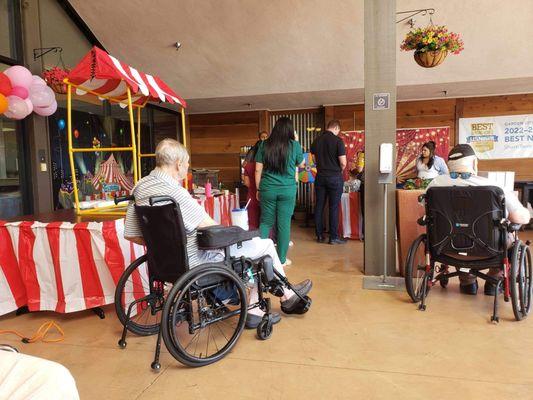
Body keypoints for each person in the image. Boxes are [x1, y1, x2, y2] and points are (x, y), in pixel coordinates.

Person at [124, 139, 312, 329]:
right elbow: (213, 229)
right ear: (178, 164)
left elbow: (131, 234)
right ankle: (274, 302)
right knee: (264, 246)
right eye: (187, 163)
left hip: (163, 262)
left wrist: (163, 247)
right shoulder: (175, 193)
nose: (188, 167)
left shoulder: (139, 187)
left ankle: (286, 294)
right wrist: (240, 233)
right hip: (198, 261)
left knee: (252, 246)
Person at [426, 144, 530, 295]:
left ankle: (467, 282)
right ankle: (494, 281)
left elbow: (425, 207)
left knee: (457, 231)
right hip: (489, 249)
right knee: (509, 236)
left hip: (446, 248)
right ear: (474, 163)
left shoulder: (434, 185)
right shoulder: (493, 186)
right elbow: (519, 217)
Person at [255, 117, 304, 267]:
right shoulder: (294, 145)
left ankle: (259, 257)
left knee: (265, 222)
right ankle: (281, 260)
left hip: (268, 188)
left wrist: (258, 189)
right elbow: (301, 163)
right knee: (284, 224)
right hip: (287, 190)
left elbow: (258, 169)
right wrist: (296, 141)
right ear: (290, 130)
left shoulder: (264, 145)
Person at [311, 119, 347, 244]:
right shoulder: (338, 141)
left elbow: (314, 161)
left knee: (319, 206)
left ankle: (320, 236)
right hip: (334, 177)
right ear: (336, 128)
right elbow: (343, 162)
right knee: (333, 207)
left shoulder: (316, 141)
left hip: (320, 176)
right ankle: (333, 237)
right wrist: (339, 170)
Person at [243, 143, 260, 229]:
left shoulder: (248, 165)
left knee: (252, 222)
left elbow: (246, 183)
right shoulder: (266, 165)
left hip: (251, 196)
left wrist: (253, 185)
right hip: (264, 195)